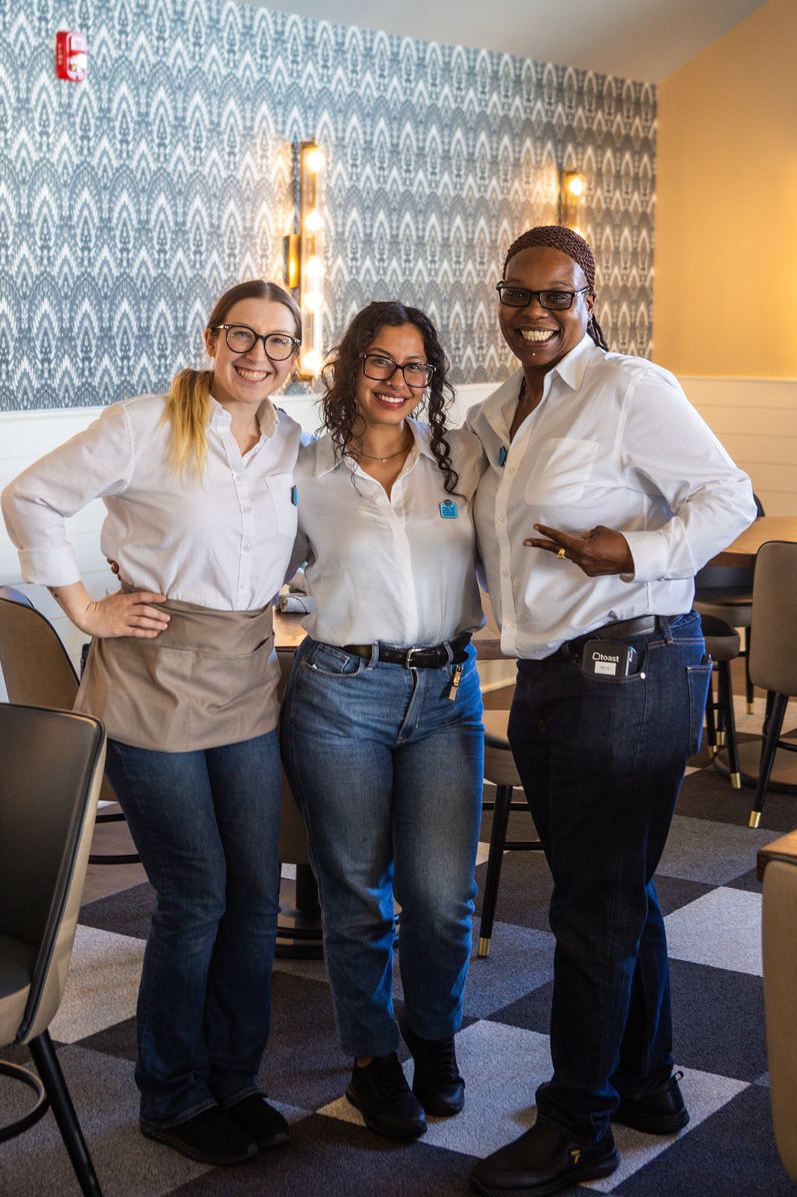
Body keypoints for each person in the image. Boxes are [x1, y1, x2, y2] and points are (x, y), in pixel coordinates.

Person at [466, 226, 757, 1196]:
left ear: (589, 301)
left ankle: (575, 1127)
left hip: (630, 667)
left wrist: (630, 552)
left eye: (557, 295)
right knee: (613, 889)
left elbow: (729, 496)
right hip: (550, 674)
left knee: (591, 904)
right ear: (498, 299)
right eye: (518, 293)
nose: (534, 312)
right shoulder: (500, 410)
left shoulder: (628, 388)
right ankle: (644, 1085)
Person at [2, 280, 304, 1168]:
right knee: (197, 893)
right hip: (149, 678)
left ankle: (234, 1079)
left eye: (279, 342)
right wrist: (85, 609)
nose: (258, 356)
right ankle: (170, 1096)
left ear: (296, 355)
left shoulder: (292, 439)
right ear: (211, 338)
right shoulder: (145, 422)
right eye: (241, 335)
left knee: (254, 892)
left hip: (246, 677)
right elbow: (29, 496)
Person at [279, 300, 485, 1142]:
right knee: (357, 894)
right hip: (339, 694)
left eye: (414, 366)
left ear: (430, 375)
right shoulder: (306, 467)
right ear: (347, 368)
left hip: (446, 696)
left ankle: (431, 1036)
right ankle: (370, 1057)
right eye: (379, 361)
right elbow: (247, 551)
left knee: (441, 897)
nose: (398, 381)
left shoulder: (463, 459)